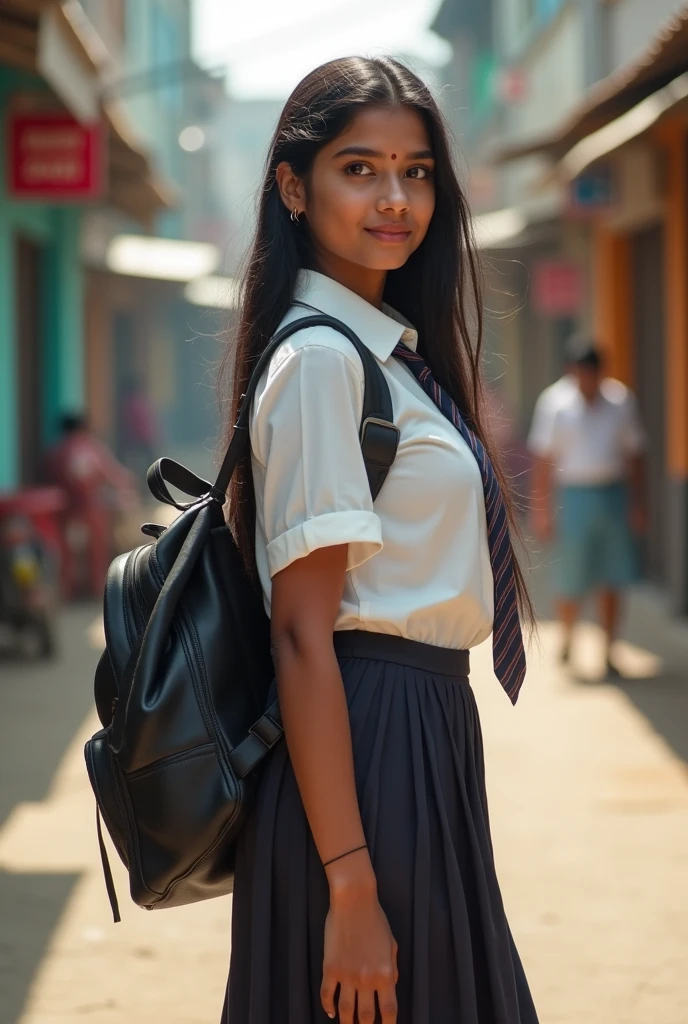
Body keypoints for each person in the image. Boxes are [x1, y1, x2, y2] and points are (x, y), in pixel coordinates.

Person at [222, 57, 539, 1024]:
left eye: (417, 171)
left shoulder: (386, 352)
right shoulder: (323, 360)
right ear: (293, 185)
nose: (395, 198)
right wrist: (352, 891)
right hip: (367, 742)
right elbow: (301, 635)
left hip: (422, 734)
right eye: (359, 169)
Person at [528, 337, 647, 677]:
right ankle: (568, 635)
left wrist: (638, 503)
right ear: (572, 372)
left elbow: (635, 454)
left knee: (614, 574)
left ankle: (610, 649)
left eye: (592, 375)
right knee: (572, 574)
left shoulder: (621, 401)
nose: (587, 382)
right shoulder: (555, 404)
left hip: (613, 492)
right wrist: (542, 509)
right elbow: (543, 460)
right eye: (581, 375)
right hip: (573, 495)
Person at [45, 414, 138, 598]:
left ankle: (69, 591)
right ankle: (97, 590)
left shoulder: (56, 452)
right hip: (92, 510)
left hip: (66, 511)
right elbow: (115, 476)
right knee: (97, 551)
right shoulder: (93, 449)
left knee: (68, 553)